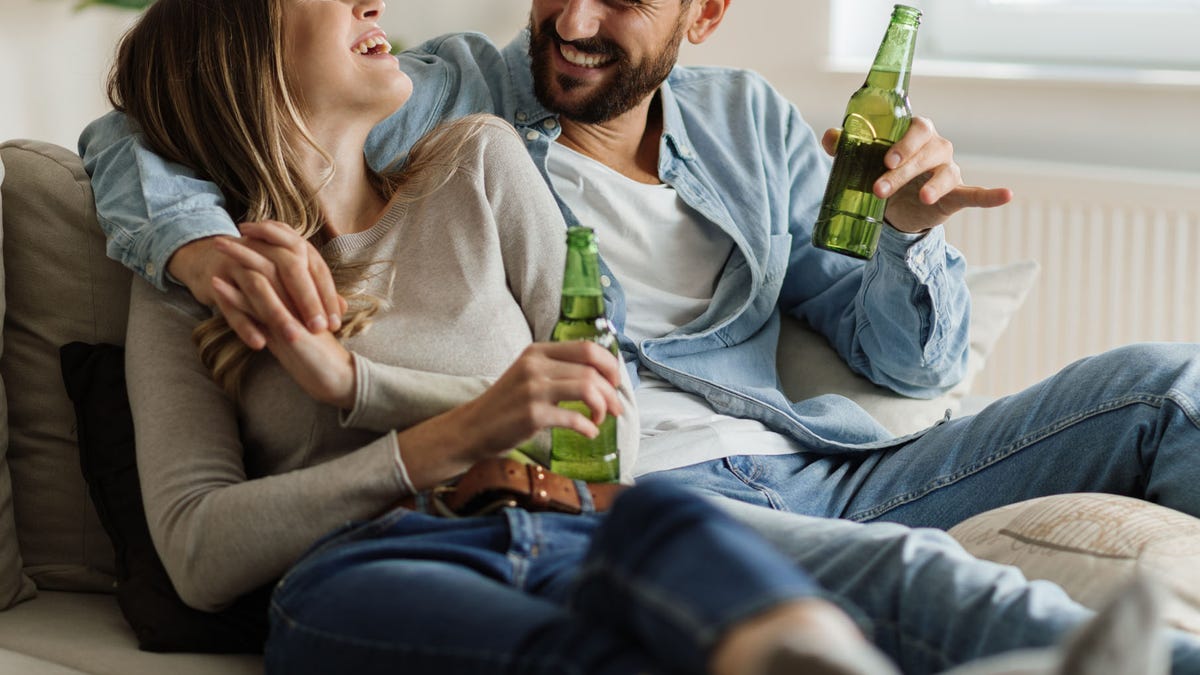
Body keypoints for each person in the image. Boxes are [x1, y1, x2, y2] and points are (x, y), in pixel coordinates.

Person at [80, 0, 1200, 672]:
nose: (571, 24)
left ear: (701, 13)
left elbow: (903, 363)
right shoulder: (460, 99)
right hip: (613, 492)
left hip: (777, 469)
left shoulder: (718, 124)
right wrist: (189, 246)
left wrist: (905, 238)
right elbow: (158, 111)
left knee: (1159, 387)